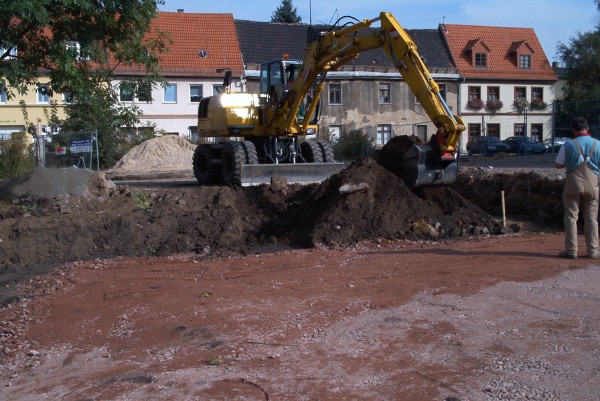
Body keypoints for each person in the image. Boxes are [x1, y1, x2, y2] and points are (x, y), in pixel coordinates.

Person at [555, 116, 600, 259]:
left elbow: (558, 164)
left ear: (573, 130)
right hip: (592, 183)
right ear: (588, 128)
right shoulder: (598, 144)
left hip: (573, 183)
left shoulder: (568, 144)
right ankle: (593, 251)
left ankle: (571, 250)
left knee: (571, 217)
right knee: (592, 218)